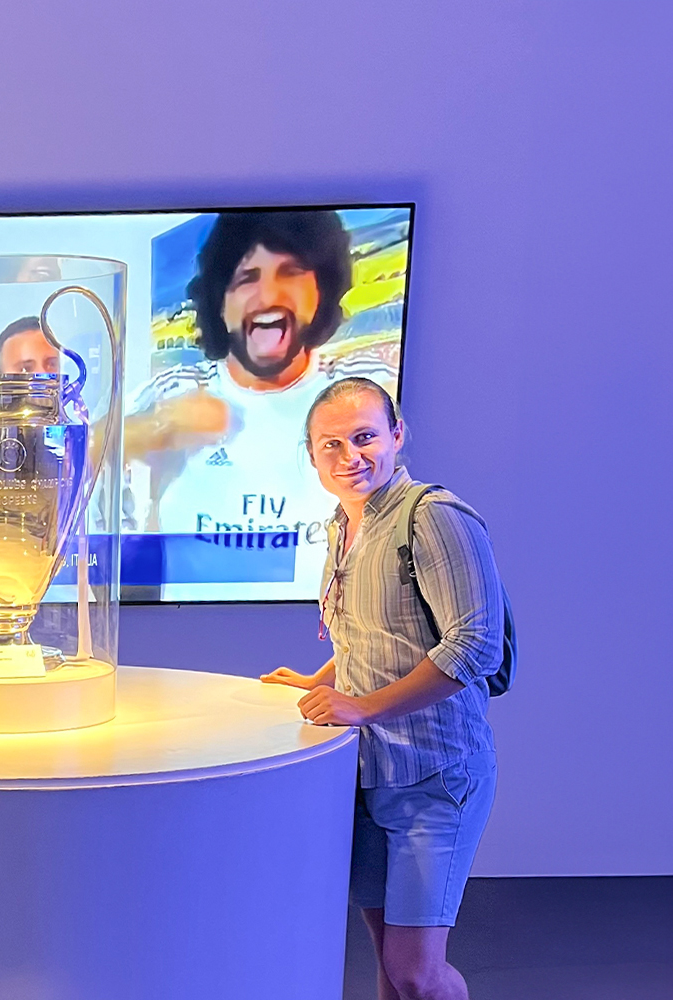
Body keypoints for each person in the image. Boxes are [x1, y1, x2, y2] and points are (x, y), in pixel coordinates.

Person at [262, 377, 502, 1000]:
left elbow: (475, 646)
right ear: (311, 456)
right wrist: (319, 679)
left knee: (419, 974)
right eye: (331, 445)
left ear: (397, 436)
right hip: (368, 776)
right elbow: (372, 637)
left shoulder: (436, 516)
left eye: (365, 437)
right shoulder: (343, 527)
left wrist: (362, 706)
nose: (350, 458)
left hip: (436, 775)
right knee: (392, 970)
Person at [131, 211, 394, 577]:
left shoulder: (371, 396)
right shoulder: (167, 398)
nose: (268, 296)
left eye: (291, 273)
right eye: (246, 278)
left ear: (322, 289)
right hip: (186, 630)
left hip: (338, 631)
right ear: (220, 302)